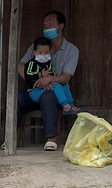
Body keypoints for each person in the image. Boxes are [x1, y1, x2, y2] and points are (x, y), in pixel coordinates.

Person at [17, 11, 80, 151]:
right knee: (18, 97)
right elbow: (21, 65)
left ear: (60, 27)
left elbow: (66, 77)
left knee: (49, 95)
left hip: (55, 93)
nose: (46, 29)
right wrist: (36, 79)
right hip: (34, 90)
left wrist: (50, 79)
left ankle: (51, 139)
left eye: (50, 25)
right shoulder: (38, 46)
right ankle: (10, 137)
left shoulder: (72, 50)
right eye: (44, 26)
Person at [24, 36, 79, 115]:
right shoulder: (31, 63)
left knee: (64, 86)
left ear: (50, 52)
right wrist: (40, 75)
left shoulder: (48, 64)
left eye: (46, 52)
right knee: (56, 86)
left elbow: (53, 74)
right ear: (34, 53)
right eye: (40, 53)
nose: (43, 55)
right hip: (34, 91)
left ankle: (71, 105)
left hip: (47, 88)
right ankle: (65, 106)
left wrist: (49, 80)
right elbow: (28, 76)